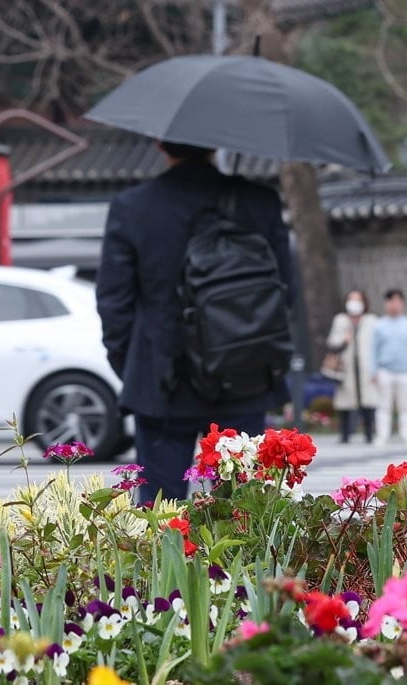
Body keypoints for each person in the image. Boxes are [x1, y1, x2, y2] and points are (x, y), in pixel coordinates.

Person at [96, 141, 294, 502]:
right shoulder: (258, 201)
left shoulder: (134, 207)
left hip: (163, 377)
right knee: (241, 509)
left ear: (159, 144)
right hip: (244, 372)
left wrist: (129, 364)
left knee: (161, 512)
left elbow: (114, 302)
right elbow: (287, 293)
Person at [371, 289, 407, 446]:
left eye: (398, 301)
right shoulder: (379, 325)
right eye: (391, 301)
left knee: (405, 405)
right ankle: (382, 435)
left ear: (402, 303)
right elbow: (373, 349)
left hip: (405, 371)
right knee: (383, 405)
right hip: (385, 370)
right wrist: (373, 371)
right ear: (386, 304)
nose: (394, 305)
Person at [326, 290, 379, 443]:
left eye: (358, 300)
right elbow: (332, 342)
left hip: (366, 366)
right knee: (345, 401)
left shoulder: (372, 320)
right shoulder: (340, 319)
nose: (354, 303)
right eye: (351, 299)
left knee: (368, 401)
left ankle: (369, 433)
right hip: (345, 366)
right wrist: (344, 340)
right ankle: (345, 434)